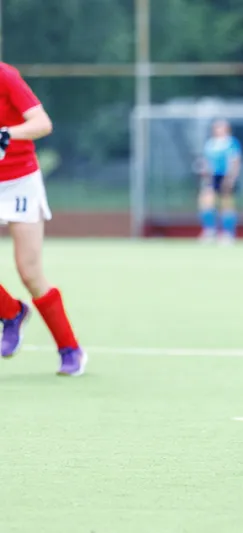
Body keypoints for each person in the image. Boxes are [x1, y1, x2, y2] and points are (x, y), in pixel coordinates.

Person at [0, 62, 87, 376]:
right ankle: (11, 313)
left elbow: (42, 123)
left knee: (30, 272)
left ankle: (70, 348)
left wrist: (7, 134)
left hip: (19, 181)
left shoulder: (5, 76)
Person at [197, 119, 241, 244]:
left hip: (225, 176)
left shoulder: (231, 143)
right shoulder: (210, 143)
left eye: (221, 127)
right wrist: (204, 173)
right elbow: (206, 161)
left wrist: (231, 178)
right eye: (216, 127)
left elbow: (235, 161)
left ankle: (228, 234)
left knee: (226, 204)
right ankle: (210, 231)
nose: (218, 130)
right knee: (206, 202)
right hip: (212, 176)